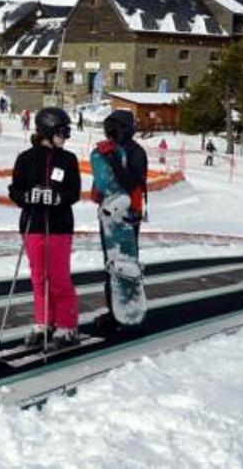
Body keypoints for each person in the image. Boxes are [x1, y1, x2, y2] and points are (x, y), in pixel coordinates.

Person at [8, 108, 81, 351]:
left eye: (67, 131)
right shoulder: (26, 158)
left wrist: (58, 197)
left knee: (58, 277)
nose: (66, 136)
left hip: (59, 226)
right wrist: (27, 195)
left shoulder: (68, 159)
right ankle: (44, 322)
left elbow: (74, 192)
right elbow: (15, 190)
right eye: (63, 131)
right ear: (48, 131)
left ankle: (67, 324)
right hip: (34, 224)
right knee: (39, 277)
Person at [91, 110, 148, 330]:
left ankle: (131, 306)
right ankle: (116, 309)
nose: (110, 135)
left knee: (126, 262)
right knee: (112, 262)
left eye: (113, 130)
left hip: (128, 214)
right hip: (109, 212)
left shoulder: (136, 152)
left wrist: (113, 160)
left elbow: (131, 183)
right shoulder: (110, 149)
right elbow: (106, 182)